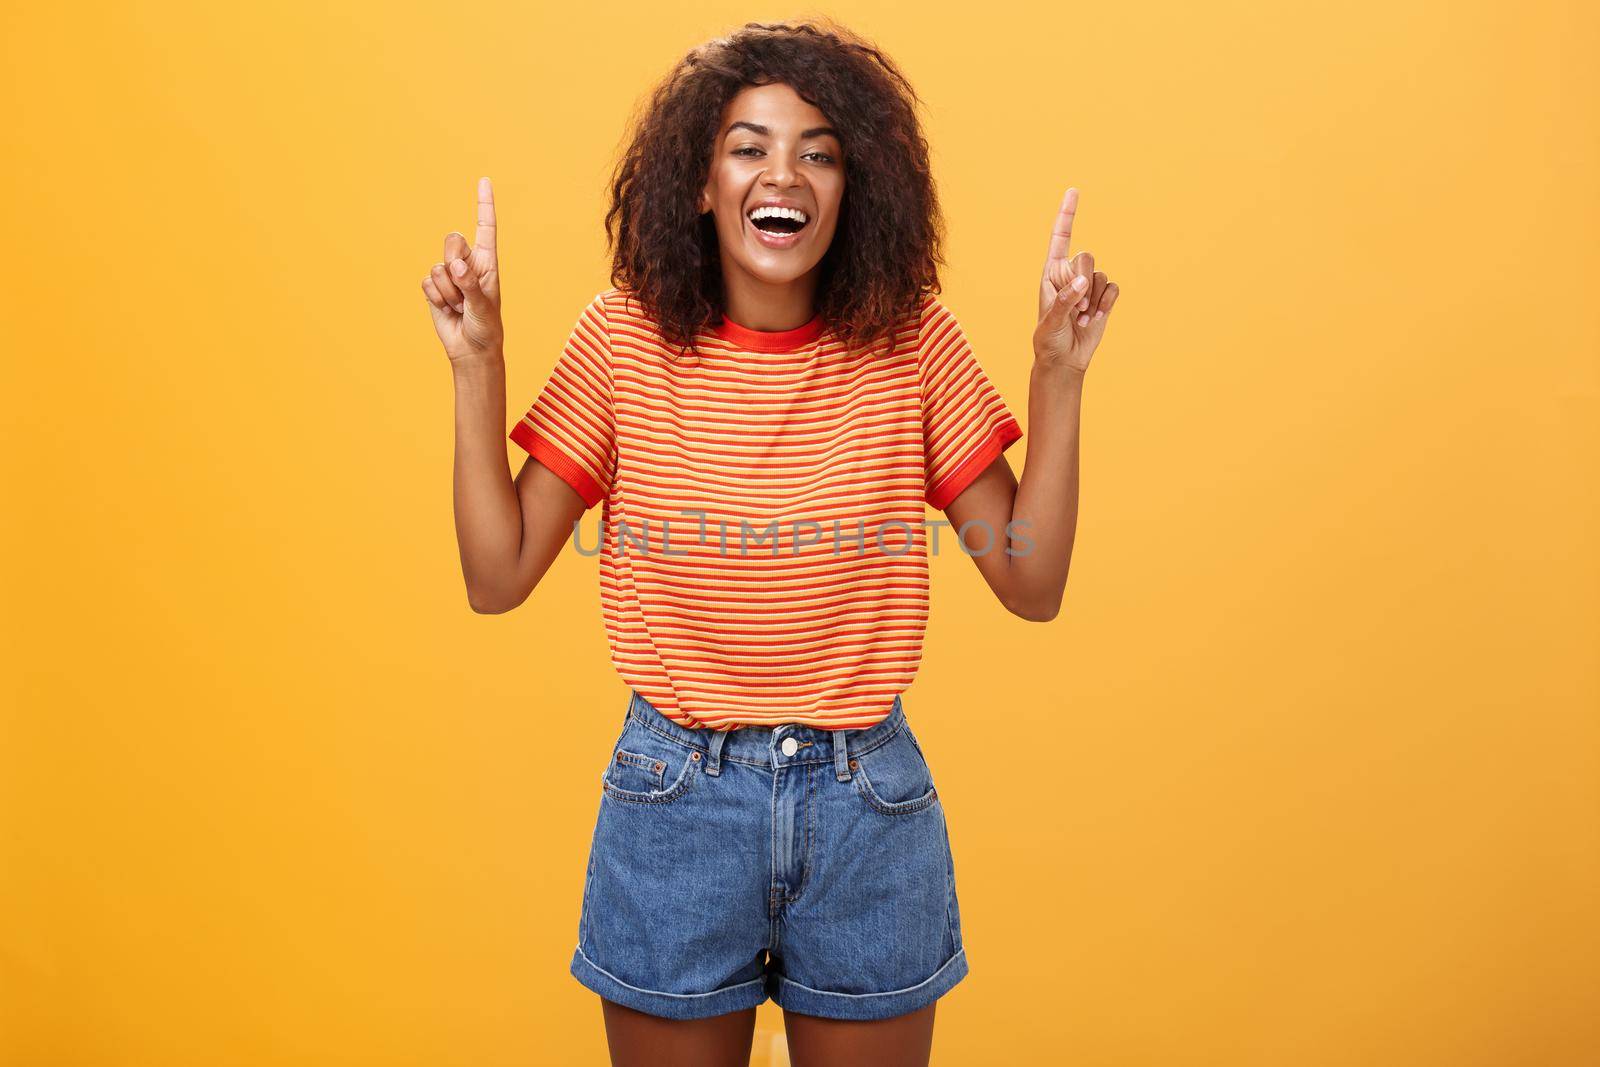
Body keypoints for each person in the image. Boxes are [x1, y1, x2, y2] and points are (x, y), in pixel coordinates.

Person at [421, 18, 1119, 1067]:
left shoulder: (913, 343)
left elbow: (1029, 578)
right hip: (674, 803)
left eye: (817, 151)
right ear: (699, 182)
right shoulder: (621, 339)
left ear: (852, 190)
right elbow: (496, 573)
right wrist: (479, 362)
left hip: (865, 809)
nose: (781, 171)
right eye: (747, 145)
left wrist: (1057, 374)